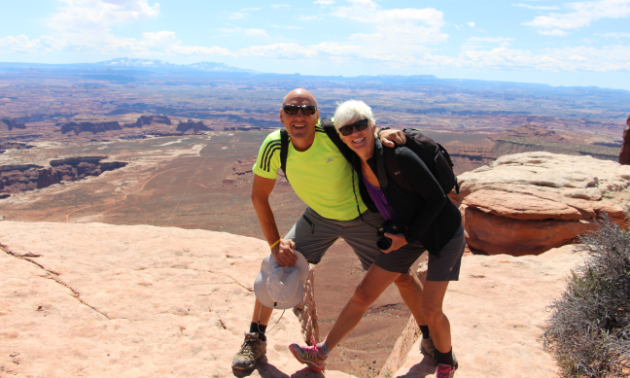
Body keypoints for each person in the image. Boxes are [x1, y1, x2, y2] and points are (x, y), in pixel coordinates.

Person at [231, 89, 430, 371]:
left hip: (363, 217)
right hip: (319, 218)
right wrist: (275, 243)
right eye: (291, 109)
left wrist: (383, 132)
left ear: (317, 116)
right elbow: (258, 196)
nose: (299, 116)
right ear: (281, 115)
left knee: (401, 277)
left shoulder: (332, 135)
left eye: (307, 110)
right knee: (274, 266)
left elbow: (359, 133)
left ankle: (432, 337)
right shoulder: (275, 145)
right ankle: (255, 339)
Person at [288, 100, 465, 378]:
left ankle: (445, 362)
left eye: (362, 126)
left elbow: (437, 201)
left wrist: (407, 237)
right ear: (342, 136)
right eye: (348, 130)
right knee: (363, 294)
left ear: (372, 126)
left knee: (431, 309)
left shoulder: (400, 156)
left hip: (442, 232)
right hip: (406, 233)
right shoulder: (354, 156)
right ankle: (320, 353)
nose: (355, 133)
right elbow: (325, 124)